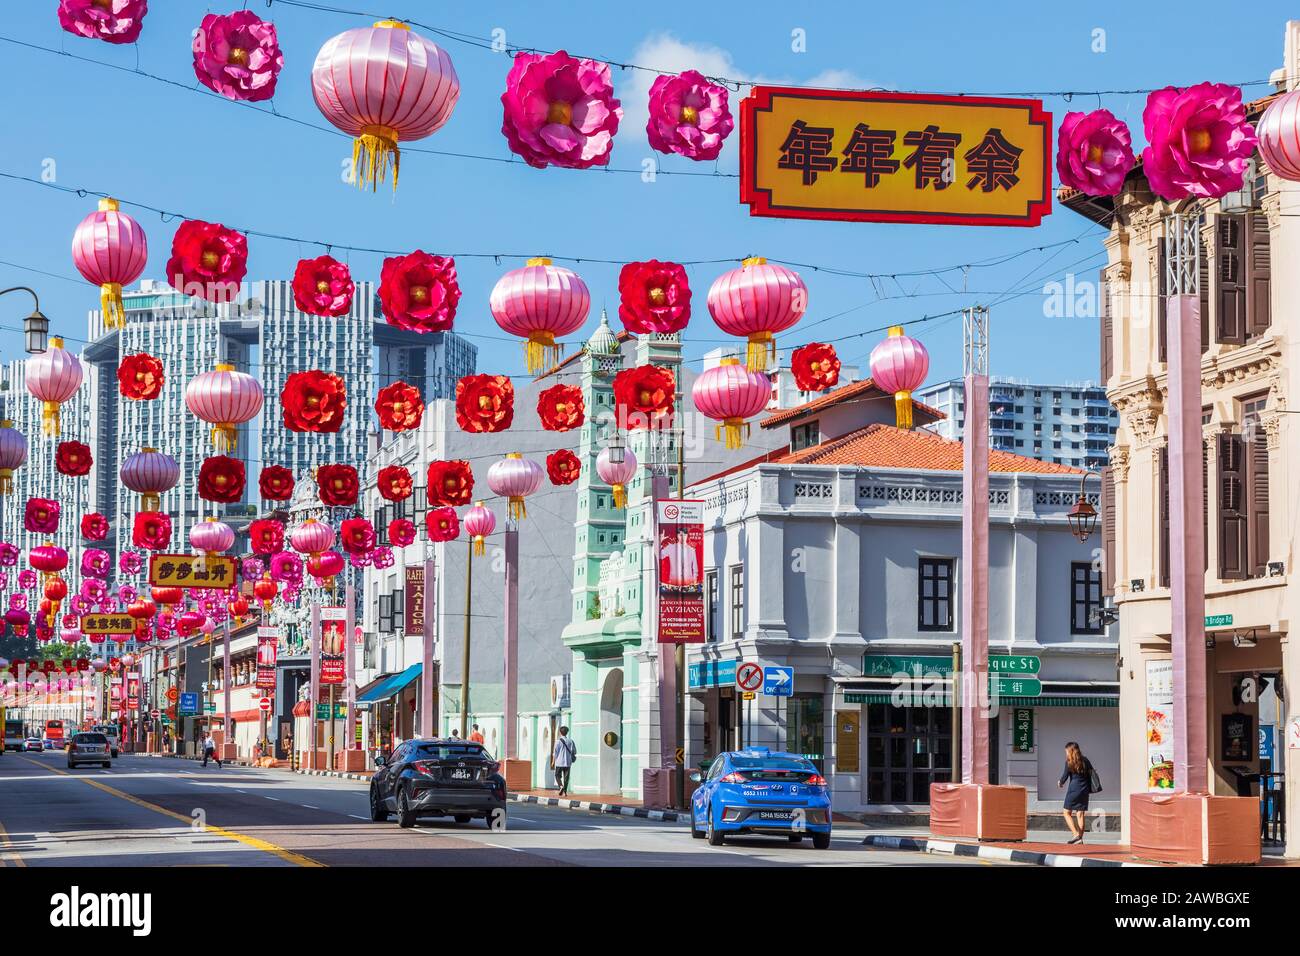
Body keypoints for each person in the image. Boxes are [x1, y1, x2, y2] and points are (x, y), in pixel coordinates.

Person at [1058, 741, 1093, 843]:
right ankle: (1080, 839)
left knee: (1066, 812)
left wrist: (1060, 782)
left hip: (1074, 789)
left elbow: (1064, 777)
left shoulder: (1069, 762)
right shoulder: (1085, 761)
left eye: (1066, 751)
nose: (1066, 753)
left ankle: (1075, 834)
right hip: (1084, 790)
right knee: (1080, 814)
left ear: (1070, 751)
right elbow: (1090, 774)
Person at [552, 726, 577, 796]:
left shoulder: (557, 742)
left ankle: (561, 786)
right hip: (568, 762)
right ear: (567, 732)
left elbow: (555, 753)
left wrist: (553, 761)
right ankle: (565, 792)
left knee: (557, 775)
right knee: (566, 777)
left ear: (560, 732)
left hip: (559, 762)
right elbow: (574, 751)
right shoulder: (571, 741)